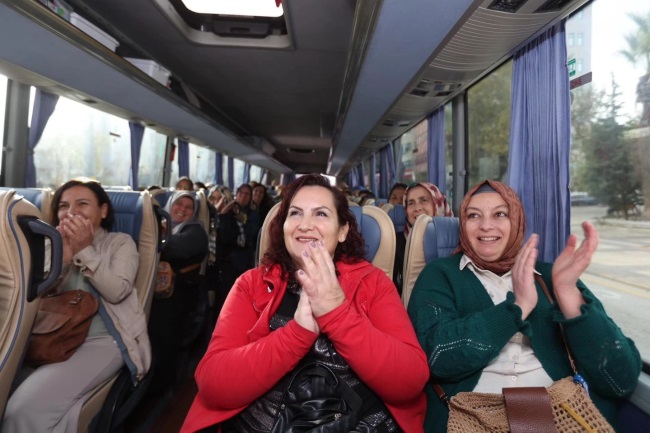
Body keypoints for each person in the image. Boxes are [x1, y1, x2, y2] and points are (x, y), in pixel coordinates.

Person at [181, 174, 429, 433]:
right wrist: (296, 335)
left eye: (321, 214)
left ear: (342, 231)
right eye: (295, 213)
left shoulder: (374, 283)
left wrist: (338, 315)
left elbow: (410, 380)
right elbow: (213, 384)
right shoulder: (251, 284)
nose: (305, 225)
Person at [407, 179, 642, 433]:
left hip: (560, 417)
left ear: (517, 221)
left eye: (500, 214)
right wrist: (516, 308)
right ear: (463, 224)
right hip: (472, 419)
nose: (486, 225)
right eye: (474, 215)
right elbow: (436, 357)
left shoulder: (553, 277)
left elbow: (620, 379)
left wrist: (568, 295)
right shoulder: (439, 275)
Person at [3, 178, 151, 433]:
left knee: (22, 410)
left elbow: (117, 291)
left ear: (103, 211)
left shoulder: (120, 242)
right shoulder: (50, 242)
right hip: (50, 335)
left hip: (102, 339)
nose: (71, 212)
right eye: (64, 206)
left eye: (82, 204)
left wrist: (84, 250)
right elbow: (32, 296)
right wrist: (63, 259)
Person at [148, 190, 208, 394]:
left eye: (188, 207)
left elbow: (173, 248)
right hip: (157, 291)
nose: (182, 209)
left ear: (194, 212)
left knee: (160, 331)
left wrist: (148, 235)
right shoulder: (162, 225)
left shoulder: (195, 232)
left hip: (180, 293)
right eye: (178, 204)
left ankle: (161, 386)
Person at [393, 182, 453, 294]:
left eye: (424, 200)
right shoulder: (394, 242)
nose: (417, 208)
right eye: (411, 203)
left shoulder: (457, 239)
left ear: (438, 204)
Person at [216, 183, 262, 294]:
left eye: (247, 194)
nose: (243, 196)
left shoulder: (254, 215)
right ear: (236, 194)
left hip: (244, 258)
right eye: (240, 193)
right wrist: (224, 214)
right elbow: (225, 237)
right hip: (227, 259)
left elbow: (250, 235)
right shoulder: (228, 212)